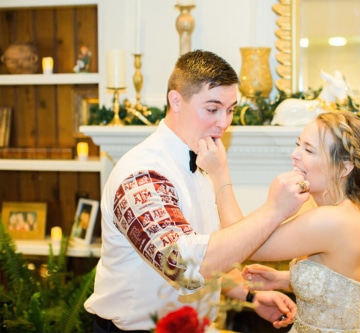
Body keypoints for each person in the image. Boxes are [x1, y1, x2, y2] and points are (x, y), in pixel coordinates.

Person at [84, 50, 310, 332]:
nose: (224, 123)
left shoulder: (203, 161)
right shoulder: (140, 174)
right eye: (212, 109)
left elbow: (212, 252)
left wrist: (249, 294)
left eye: (230, 110)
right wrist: (274, 211)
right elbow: (184, 266)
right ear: (176, 100)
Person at [235, 111, 360, 332]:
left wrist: (219, 174)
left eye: (308, 150)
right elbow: (337, 281)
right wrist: (285, 279)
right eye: (298, 145)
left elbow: (241, 244)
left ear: (344, 168)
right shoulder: (341, 212)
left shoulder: (333, 220)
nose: (294, 154)